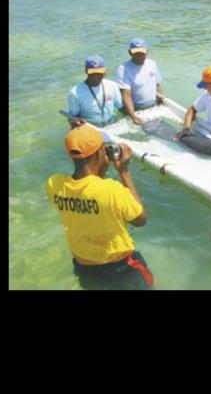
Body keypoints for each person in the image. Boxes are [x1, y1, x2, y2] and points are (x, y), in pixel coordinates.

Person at [45, 125, 153, 289]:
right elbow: (140, 219)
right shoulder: (111, 190)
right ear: (99, 152)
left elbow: (88, 192)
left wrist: (100, 167)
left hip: (84, 266)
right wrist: (123, 171)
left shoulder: (54, 185)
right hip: (121, 268)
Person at [116, 37, 164, 125]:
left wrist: (162, 99)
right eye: (136, 53)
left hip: (153, 105)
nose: (139, 56)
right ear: (130, 52)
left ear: (147, 51)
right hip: (136, 108)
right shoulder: (123, 69)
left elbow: (157, 85)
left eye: (141, 53)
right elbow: (126, 95)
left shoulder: (152, 63)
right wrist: (133, 116)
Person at [66, 55, 124, 128]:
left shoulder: (112, 86)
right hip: (90, 127)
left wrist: (133, 117)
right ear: (86, 71)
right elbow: (71, 118)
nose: (96, 76)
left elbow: (121, 107)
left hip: (112, 124)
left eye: (99, 72)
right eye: (92, 72)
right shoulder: (74, 93)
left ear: (105, 71)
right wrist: (75, 122)